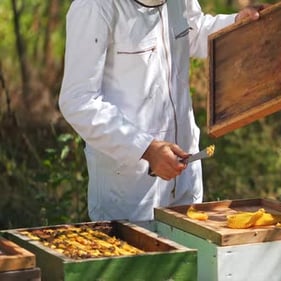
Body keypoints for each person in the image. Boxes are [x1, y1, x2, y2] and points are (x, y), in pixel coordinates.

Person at [58, 0, 263, 222]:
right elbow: (78, 101)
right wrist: (146, 148)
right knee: (141, 256)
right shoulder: (94, 7)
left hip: (185, 175)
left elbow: (193, 32)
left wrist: (235, 24)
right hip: (129, 191)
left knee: (190, 255)